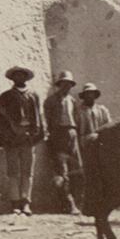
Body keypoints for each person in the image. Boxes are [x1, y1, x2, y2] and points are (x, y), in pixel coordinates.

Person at [0, 66, 46, 215]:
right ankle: (15, 203)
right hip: (12, 138)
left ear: (26, 78)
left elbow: (39, 117)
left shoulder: (34, 95)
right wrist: (4, 136)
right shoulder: (6, 96)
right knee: (13, 171)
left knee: (27, 171)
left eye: (22, 76)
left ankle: (25, 202)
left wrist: (37, 134)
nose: (19, 78)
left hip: (28, 137)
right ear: (12, 79)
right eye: (16, 76)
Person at [44, 71, 82, 214]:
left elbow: (77, 118)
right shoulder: (51, 101)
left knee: (76, 169)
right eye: (64, 84)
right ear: (59, 85)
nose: (66, 86)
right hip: (58, 134)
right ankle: (68, 203)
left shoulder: (72, 101)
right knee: (61, 171)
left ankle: (77, 202)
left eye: (69, 84)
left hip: (72, 134)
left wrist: (74, 133)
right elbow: (47, 119)